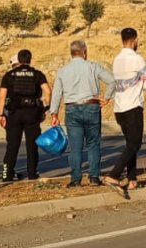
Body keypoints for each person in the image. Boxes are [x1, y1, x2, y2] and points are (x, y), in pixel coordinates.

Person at [48, 40, 115, 188]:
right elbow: (111, 81)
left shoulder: (63, 70)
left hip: (72, 108)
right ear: (84, 52)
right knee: (93, 144)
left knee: (75, 145)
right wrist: (107, 97)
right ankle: (94, 177)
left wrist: (54, 113)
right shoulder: (93, 67)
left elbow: (57, 93)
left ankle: (76, 179)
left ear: (71, 53)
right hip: (91, 106)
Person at [103, 28, 146, 197]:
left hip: (119, 108)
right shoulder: (137, 59)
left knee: (130, 144)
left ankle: (132, 179)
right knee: (135, 144)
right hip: (133, 107)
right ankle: (114, 175)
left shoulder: (117, 59)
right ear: (135, 40)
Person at [0, 49, 50, 182]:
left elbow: (2, 96)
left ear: (19, 60)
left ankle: (7, 175)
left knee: (12, 145)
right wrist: (46, 108)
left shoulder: (9, 75)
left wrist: (1, 114)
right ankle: (32, 174)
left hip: (14, 113)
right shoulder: (37, 74)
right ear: (30, 59)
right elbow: (47, 91)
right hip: (32, 113)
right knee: (32, 145)